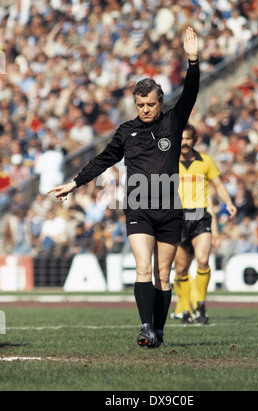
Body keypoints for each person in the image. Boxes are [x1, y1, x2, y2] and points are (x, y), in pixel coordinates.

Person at [48, 27, 200, 348]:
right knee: (143, 267)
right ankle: (146, 327)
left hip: (170, 210)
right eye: (140, 103)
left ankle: (158, 331)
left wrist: (193, 60)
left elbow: (190, 93)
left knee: (163, 274)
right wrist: (74, 184)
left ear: (160, 102)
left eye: (151, 103)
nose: (145, 109)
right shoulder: (126, 131)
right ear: (135, 102)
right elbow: (103, 160)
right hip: (139, 209)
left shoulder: (172, 122)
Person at [173, 124, 237, 325]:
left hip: (200, 216)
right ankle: (185, 308)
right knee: (181, 268)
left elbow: (218, 185)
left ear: (194, 140)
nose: (184, 142)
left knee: (202, 260)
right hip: (176, 217)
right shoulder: (169, 161)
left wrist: (229, 202)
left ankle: (200, 305)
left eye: (188, 139)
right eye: (181, 138)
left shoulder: (205, 161)